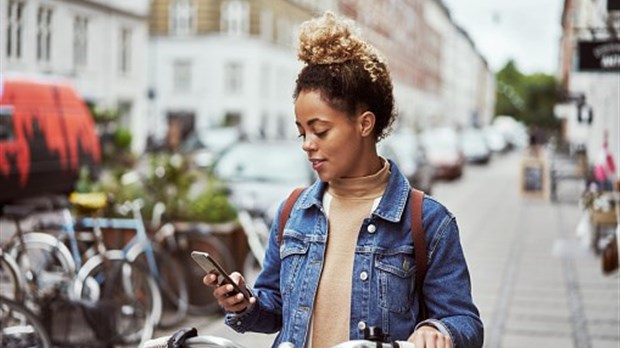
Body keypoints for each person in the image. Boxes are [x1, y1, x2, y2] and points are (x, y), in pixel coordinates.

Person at [204, 11, 483, 348]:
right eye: (302, 132)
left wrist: (438, 331)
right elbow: (276, 307)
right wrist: (247, 304)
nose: (307, 143)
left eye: (319, 130)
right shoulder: (294, 211)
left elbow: (465, 322)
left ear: (365, 124)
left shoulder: (428, 221)